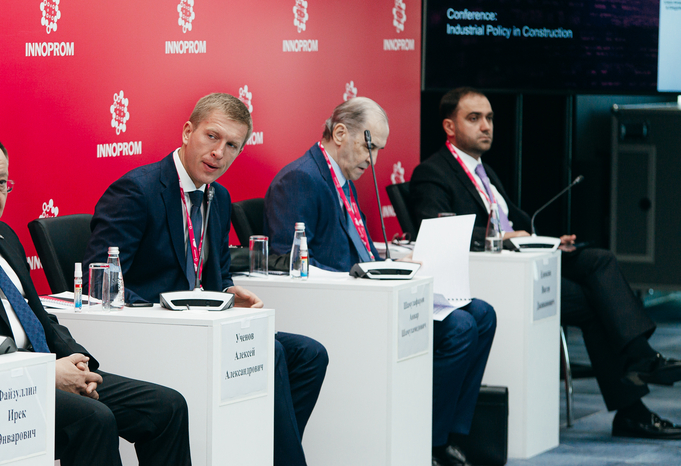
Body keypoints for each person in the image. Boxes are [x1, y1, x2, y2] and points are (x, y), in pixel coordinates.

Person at [0, 129, 192, 466]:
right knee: (93, 419)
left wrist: (76, 362)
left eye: (2, 183)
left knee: (166, 406)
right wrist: (46, 374)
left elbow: (37, 315)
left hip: (42, 369)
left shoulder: (0, 233)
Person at [408, 86, 681, 440]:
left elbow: (514, 218)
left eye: (489, 118)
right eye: (474, 118)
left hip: (526, 259)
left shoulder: (483, 170)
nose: (486, 126)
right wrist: (506, 238)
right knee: (598, 304)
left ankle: (640, 358)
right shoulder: (432, 172)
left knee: (599, 260)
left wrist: (548, 240)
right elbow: (435, 228)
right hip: (494, 273)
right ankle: (635, 394)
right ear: (449, 126)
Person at [82, 93, 328, 466]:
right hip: (156, 328)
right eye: (212, 136)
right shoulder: (137, 190)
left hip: (205, 324)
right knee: (271, 351)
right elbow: (100, 281)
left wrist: (227, 292)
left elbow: (215, 275)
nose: (219, 153)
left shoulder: (219, 197)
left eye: (232, 145)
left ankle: (259, 450)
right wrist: (170, 307)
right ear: (188, 132)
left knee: (309, 354)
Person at [265, 96, 496, 466]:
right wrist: (358, 275)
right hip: (345, 306)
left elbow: (352, 245)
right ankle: (431, 444)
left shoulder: (341, 178)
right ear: (340, 133)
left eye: (378, 150)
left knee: (482, 314)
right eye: (369, 146)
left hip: (371, 294)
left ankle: (449, 434)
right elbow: (288, 263)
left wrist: (390, 260)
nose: (372, 160)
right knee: (460, 327)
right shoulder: (301, 180)